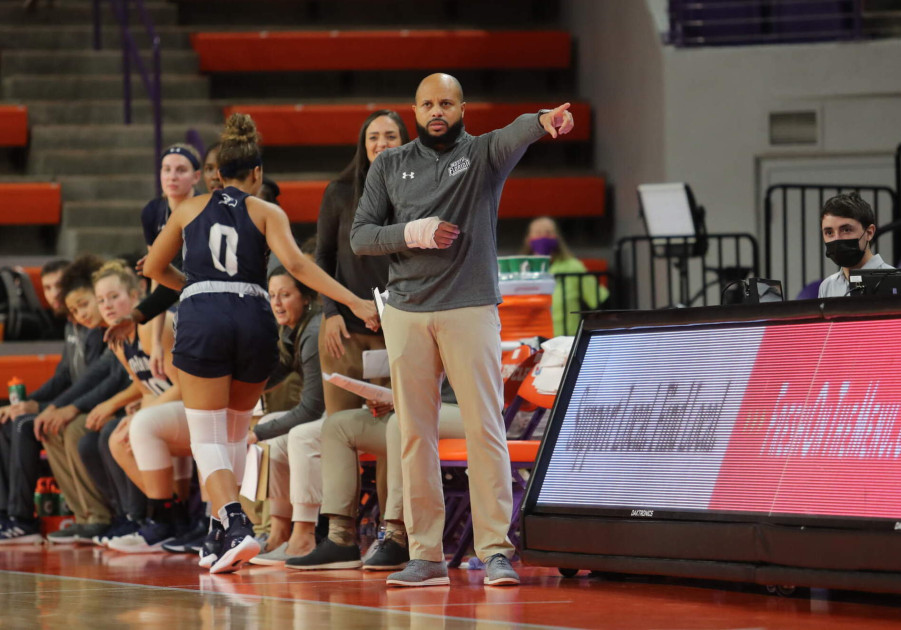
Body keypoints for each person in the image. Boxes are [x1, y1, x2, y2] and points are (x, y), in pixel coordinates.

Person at [350, 72, 574, 587]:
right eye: (427, 103)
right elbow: (361, 236)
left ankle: (494, 548)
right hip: (405, 311)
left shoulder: (482, 156)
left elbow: (518, 130)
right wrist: (413, 232)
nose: (436, 111)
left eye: (446, 103)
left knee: (485, 429)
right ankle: (425, 554)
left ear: (462, 107)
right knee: (413, 436)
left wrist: (545, 121)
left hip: (469, 308)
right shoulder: (389, 163)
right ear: (414, 108)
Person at [142, 113, 379, 573]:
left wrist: (192, 283)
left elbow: (153, 267)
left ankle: (234, 522)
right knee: (234, 430)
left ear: (214, 175)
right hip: (254, 313)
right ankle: (217, 536)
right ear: (256, 175)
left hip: (205, 314)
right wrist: (353, 300)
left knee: (206, 434)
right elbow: (300, 266)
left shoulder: (188, 209)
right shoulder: (266, 210)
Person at [285, 381, 464, 572]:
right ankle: (341, 538)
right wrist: (385, 398)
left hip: (461, 409)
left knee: (400, 424)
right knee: (337, 425)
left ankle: (397, 537)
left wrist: (407, 401)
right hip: (412, 409)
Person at [83, 260, 192, 553]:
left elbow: (184, 387)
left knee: (134, 433)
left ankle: (166, 519)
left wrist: (143, 413)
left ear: (135, 296)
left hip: (195, 406)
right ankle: (173, 517)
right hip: (168, 411)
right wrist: (137, 408)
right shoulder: (118, 339)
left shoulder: (150, 329)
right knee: (120, 438)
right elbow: (145, 385)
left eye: (114, 297)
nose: (106, 305)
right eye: (101, 300)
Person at [316, 109, 407, 415]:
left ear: (405, 143)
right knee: (340, 428)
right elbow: (324, 256)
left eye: (390, 136)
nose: (382, 143)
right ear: (363, 145)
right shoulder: (339, 193)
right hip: (342, 332)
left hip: (394, 332)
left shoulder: (417, 195)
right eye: (374, 137)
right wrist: (330, 312)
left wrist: (388, 312)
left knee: (389, 431)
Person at [247, 267, 325, 565]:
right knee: (269, 425)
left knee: (294, 434)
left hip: (352, 411)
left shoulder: (315, 330)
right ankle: (279, 530)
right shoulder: (293, 331)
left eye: (286, 295)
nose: (277, 303)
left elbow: (312, 409)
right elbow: (271, 375)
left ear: (306, 297)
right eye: (273, 296)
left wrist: (256, 434)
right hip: (327, 414)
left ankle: (304, 534)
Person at [522, 216, 608, 336]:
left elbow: (597, 298)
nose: (543, 238)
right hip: (532, 337)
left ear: (557, 238)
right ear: (528, 239)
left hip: (566, 338)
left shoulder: (573, 266)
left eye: (548, 233)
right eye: (538, 233)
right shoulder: (521, 269)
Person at [818, 192, 893, 298]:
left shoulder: (895, 281)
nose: (837, 239)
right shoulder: (827, 286)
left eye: (846, 230)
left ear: (869, 233)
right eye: (829, 233)